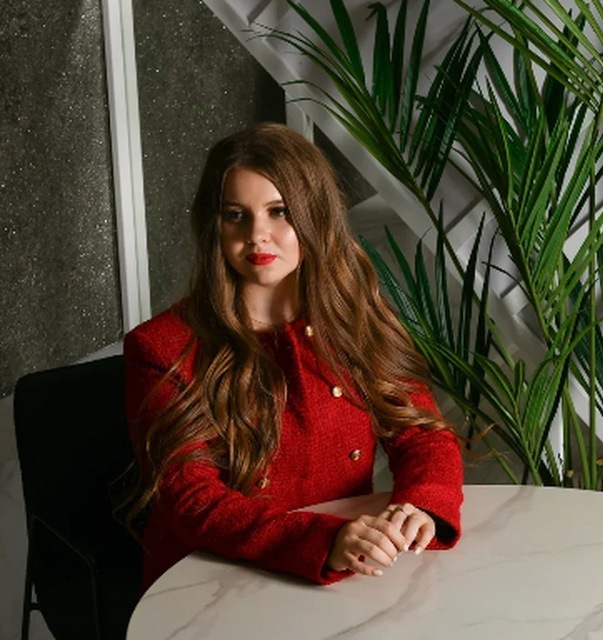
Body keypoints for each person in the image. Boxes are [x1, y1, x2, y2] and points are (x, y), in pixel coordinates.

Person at [124, 122, 463, 594]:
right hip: (212, 582)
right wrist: (323, 540)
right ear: (214, 225)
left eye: (278, 212)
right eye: (236, 216)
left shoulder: (353, 319)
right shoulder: (162, 346)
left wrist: (421, 504)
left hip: (345, 568)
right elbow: (191, 499)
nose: (257, 236)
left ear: (314, 215)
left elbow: (421, 434)